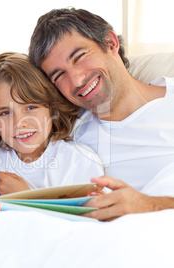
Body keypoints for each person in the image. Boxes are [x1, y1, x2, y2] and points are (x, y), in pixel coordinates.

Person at [28, 7, 174, 221]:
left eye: (79, 57)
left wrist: (149, 205)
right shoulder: (68, 135)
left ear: (110, 43)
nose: (77, 81)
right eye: (59, 75)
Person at [0, 52, 104, 195]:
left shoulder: (78, 161)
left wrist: (26, 196)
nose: (19, 123)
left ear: (51, 108)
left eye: (30, 108)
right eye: (5, 113)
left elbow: (93, 213)